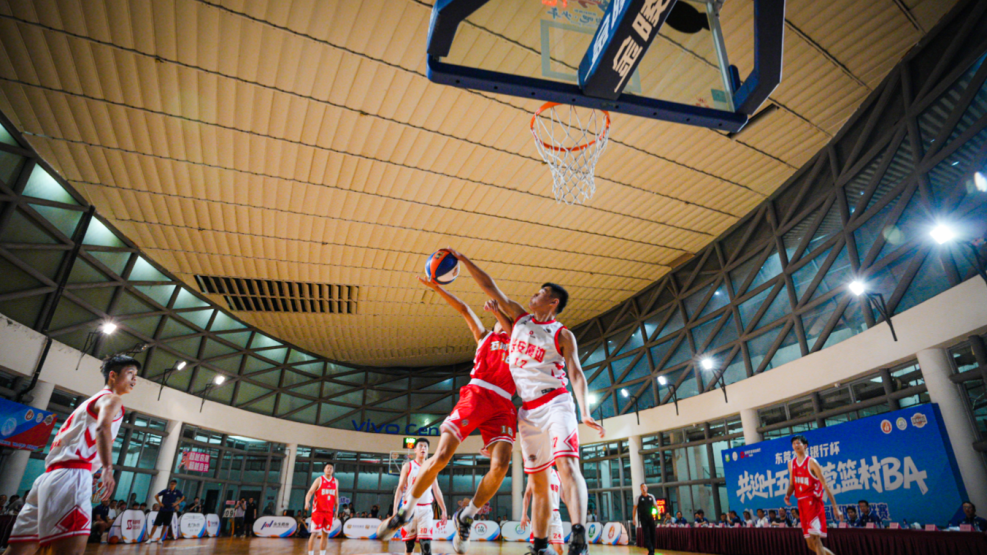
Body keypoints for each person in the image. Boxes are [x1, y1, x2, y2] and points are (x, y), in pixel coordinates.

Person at [447, 249, 605, 555]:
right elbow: (490, 286)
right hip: (528, 413)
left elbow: (576, 371)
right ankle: (540, 546)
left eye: (540, 292)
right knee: (540, 483)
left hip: (556, 402)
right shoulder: (519, 320)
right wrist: (464, 261)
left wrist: (585, 411)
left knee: (567, 465)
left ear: (553, 302)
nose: (534, 294)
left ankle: (579, 535)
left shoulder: (562, 334)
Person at [377, 278, 517, 555]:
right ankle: (405, 511)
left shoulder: (518, 343)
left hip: (503, 404)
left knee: (501, 466)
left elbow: (515, 331)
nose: (503, 322)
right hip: (477, 395)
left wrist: (502, 314)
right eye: (500, 320)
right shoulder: (486, 337)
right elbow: (464, 309)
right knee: (441, 456)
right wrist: (438, 289)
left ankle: (467, 516)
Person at [4, 355, 136, 555]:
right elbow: (102, 428)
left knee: (19, 550)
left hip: (47, 479)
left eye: (136, 375)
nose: (134, 379)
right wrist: (108, 468)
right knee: (72, 551)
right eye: (130, 373)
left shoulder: (88, 402)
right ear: (112, 375)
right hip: (72, 477)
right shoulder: (112, 399)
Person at [784, 435, 842, 555]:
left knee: (815, 539)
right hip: (801, 503)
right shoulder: (791, 464)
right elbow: (792, 484)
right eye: (794, 443)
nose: (795, 445)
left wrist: (835, 507)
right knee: (811, 544)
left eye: (798, 443)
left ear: (805, 446)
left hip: (813, 503)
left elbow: (825, 485)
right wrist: (788, 495)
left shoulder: (812, 462)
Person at [391, 439, 448, 555]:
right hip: (409, 509)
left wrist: (444, 509)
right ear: (415, 450)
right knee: (409, 546)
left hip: (426, 509)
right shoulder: (408, 466)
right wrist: (395, 509)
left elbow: (436, 490)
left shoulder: (431, 467)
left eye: (426, 446)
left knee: (426, 546)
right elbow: (400, 488)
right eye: (420, 446)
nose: (423, 448)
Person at [521, 466, 567, 555]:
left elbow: (563, 496)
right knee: (539, 549)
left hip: (554, 513)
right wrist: (524, 514)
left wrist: (573, 508)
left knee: (560, 549)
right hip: (539, 513)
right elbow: (527, 494)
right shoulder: (535, 473)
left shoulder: (558, 474)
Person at [305, 463, 339, 555]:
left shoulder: (335, 481)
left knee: (326, 534)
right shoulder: (319, 480)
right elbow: (310, 492)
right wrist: (307, 502)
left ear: (333, 470)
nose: (329, 469)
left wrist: (336, 510)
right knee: (315, 533)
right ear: (324, 470)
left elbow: (336, 497)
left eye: (331, 468)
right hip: (318, 511)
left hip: (329, 512)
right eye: (327, 468)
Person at [632, 484, 659, 555]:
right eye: (642, 487)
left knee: (653, 533)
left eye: (644, 487)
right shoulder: (638, 497)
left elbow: (656, 505)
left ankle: (652, 550)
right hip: (643, 518)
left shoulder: (651, 496)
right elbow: (634, 508)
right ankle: (650, 549)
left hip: (651, 517)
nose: (643, 488)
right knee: (647, 534)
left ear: (647, 488)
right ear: (640, 489)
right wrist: (633, 518)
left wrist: (658, 512)